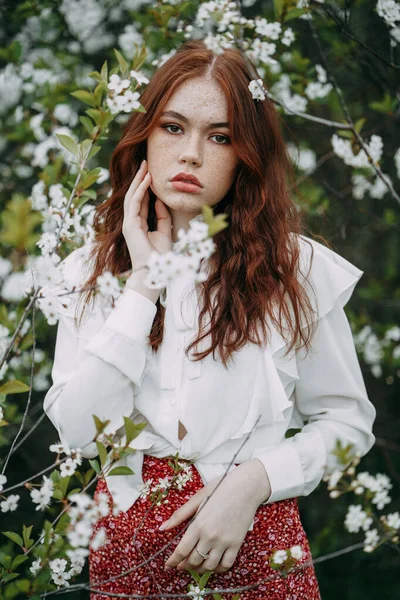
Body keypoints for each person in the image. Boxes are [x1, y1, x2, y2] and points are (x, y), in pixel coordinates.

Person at [43, 39, 376, 599]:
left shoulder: (296, 271)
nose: (191, 153)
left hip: (255, 537)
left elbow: (347, 424)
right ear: (144, 135)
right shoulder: (88, 272)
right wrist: (145, 284)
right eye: (173, 127)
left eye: (219, 136)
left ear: (247, 154)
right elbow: (78, 433)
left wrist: (251, 483)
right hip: (126, 548)